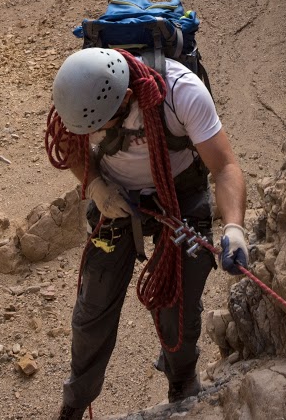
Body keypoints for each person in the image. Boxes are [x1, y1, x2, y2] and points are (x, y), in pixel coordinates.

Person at [49, 46, 249, 420]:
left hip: (180, 195)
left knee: (177, 304)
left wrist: (234, 227)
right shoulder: (77, 98)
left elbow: (224, 168)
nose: (92, 136)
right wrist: (94, 185)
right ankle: (75, 403)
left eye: (99, 129)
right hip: (116, 198)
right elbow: (67, 142)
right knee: (94, 308)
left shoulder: (181, 93)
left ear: (126, 99)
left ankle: (182, 381)